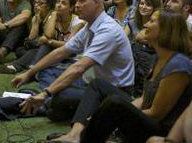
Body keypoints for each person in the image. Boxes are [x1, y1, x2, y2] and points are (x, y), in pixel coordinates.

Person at [11, 0, 134, 122]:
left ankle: (47, 101)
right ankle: (51, 104)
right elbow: (61, 52)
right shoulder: (90, 26)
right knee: (47, 73)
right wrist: (30, 72)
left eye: (82, 1)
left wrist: (46, 93)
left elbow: (79, 67)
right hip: (89, 82)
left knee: (62, 95)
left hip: (111, 91)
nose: (76, 5)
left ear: (97, 3)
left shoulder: (108, 30)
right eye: (77, 1)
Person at [77, 10, 192, 143]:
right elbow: (144, 99)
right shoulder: (158, 58)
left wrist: (113, 116)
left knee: (115, 104)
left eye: (152, 21)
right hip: (148, 117)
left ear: (166, 29)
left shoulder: (178, 65)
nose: (146, 25)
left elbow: (157, 113)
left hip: (162, 129)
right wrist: (103, 114)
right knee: (104, 92)